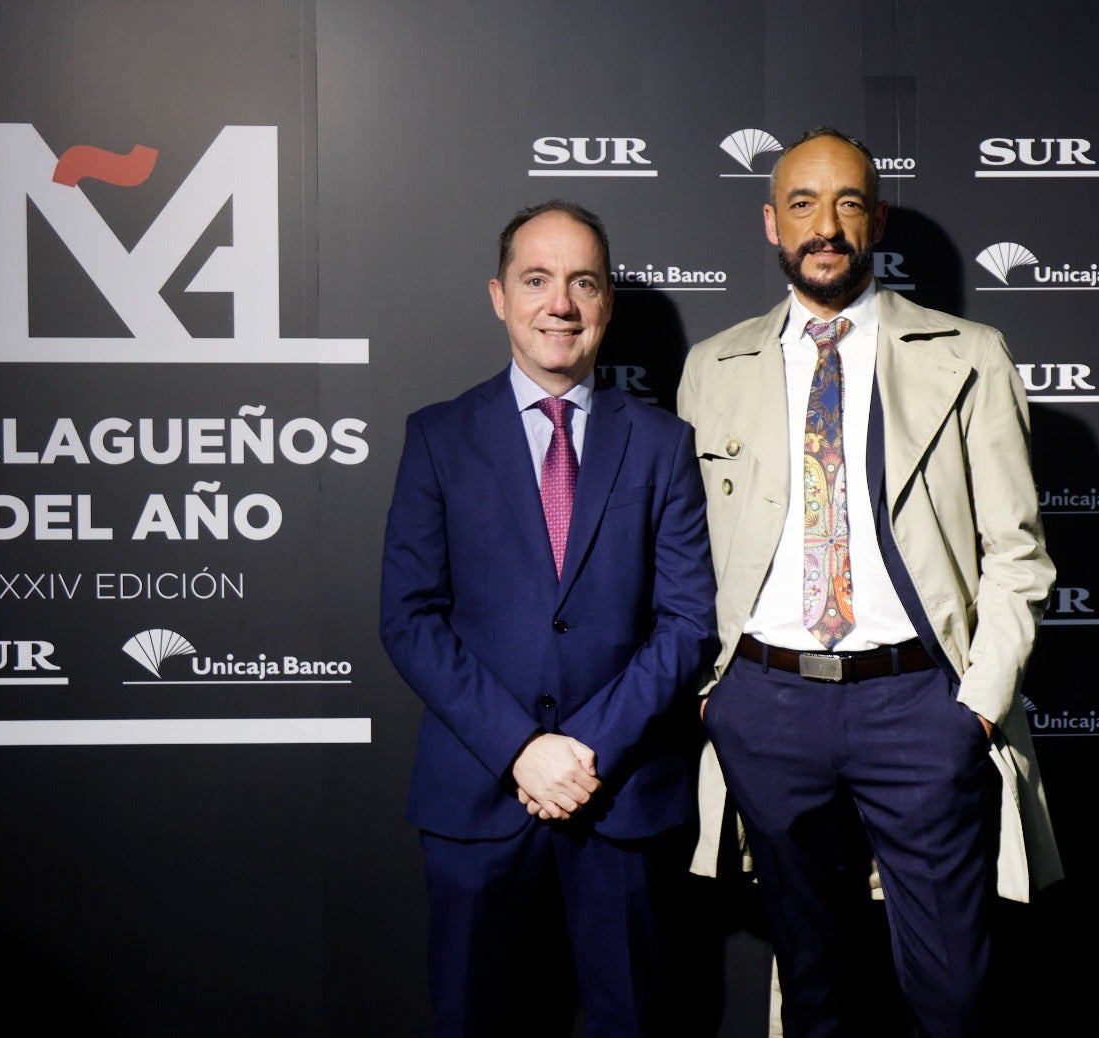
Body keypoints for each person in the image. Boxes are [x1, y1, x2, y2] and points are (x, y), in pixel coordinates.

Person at [677, 127, 1062, 1038]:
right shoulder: (713, 368)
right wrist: (713, 696)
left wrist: (975, 703)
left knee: (952, 998)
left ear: (876, 219)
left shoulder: (968, 352)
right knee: (812, 988)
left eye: (848, 202)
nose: (827, 225)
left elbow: (1018, 551)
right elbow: (684, 550)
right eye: (804, 204)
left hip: (918, 707)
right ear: (771, 222)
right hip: (766, 704)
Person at [380, 200, 718, 1037]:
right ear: (499, 296)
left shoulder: (664, 443)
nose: (558, 304)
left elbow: (686, 622)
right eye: (537, 280)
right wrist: (522, 749)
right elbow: (410, 618)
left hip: (623, 796)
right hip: (477, 796)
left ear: (606, 303)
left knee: (631, 1021)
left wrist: (583, 750)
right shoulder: (438, 437)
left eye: (582, 283)